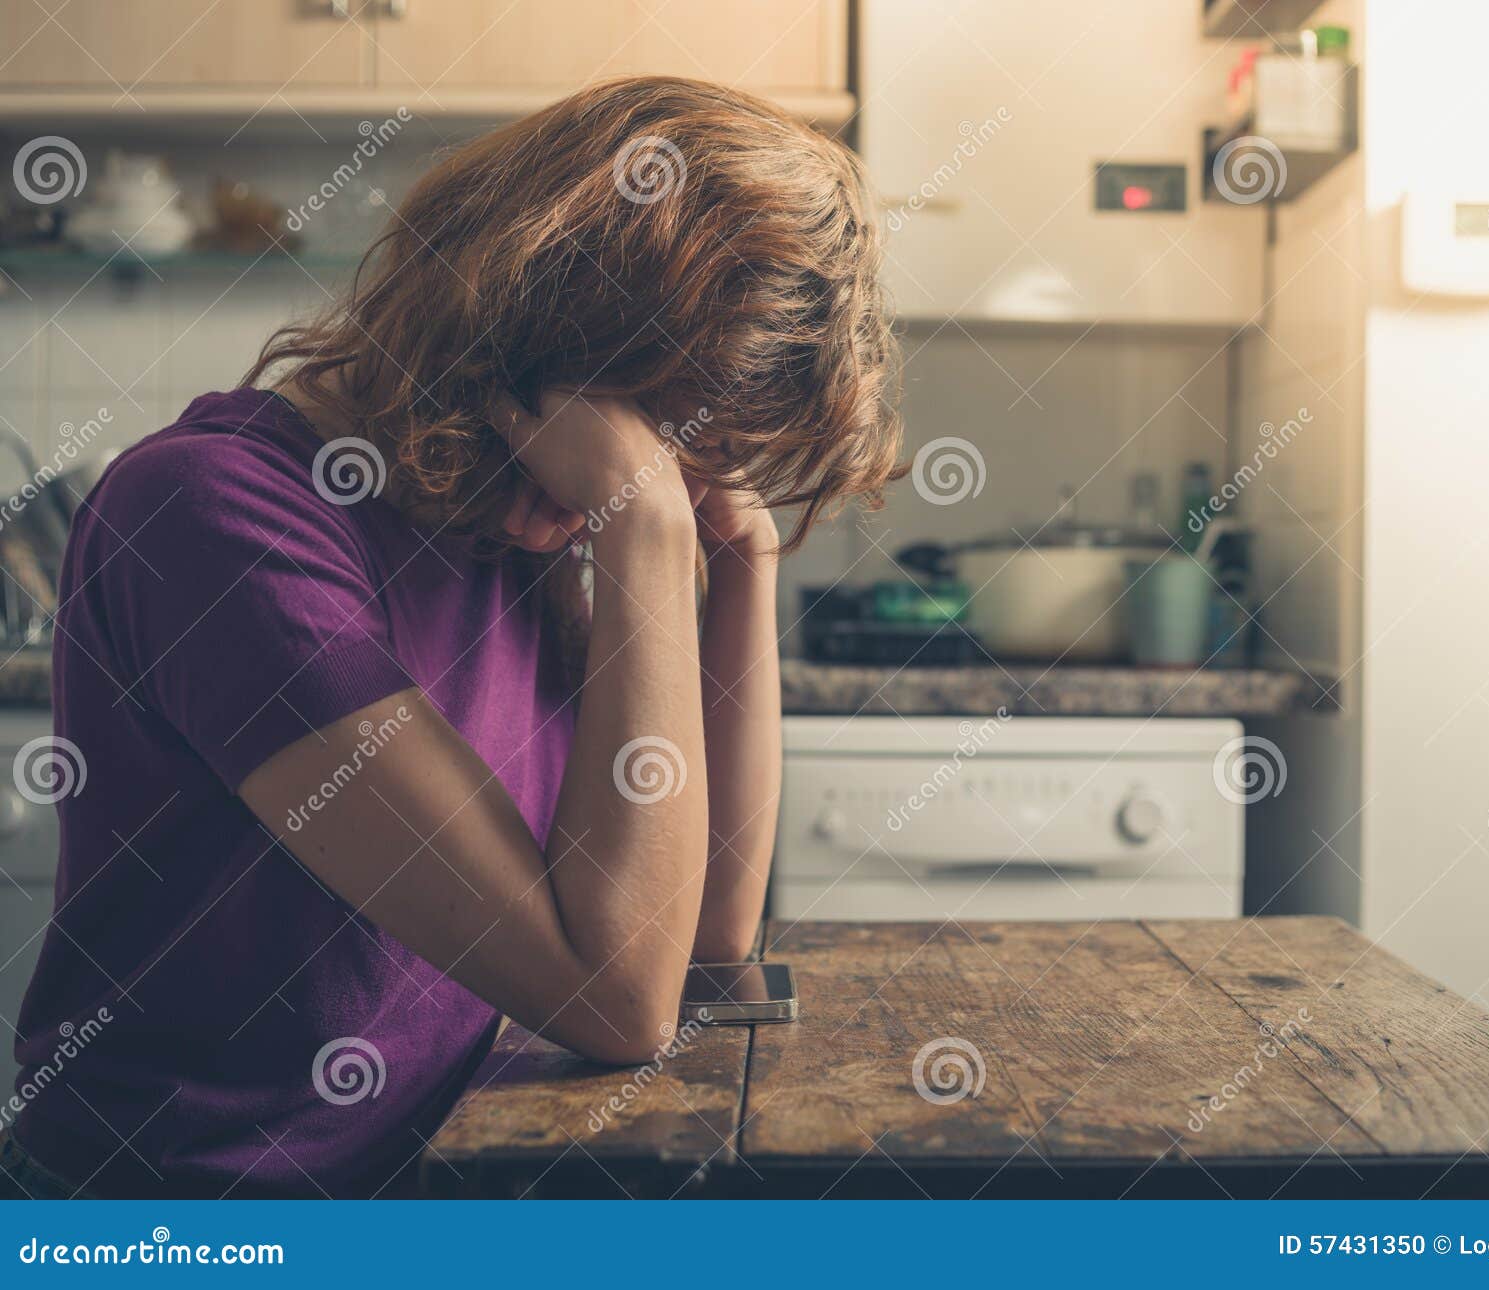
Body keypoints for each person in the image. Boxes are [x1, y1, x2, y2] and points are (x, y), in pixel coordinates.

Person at [3, 76, 901, 1198]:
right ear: (527, 341)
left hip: (423, 1177)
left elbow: (706, 940)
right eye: (647, 433)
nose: (651, 477)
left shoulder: (497, 523)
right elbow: (619, 999)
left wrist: (742, 560)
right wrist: (644, 534)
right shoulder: (213, 516)